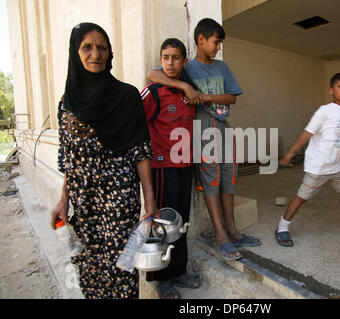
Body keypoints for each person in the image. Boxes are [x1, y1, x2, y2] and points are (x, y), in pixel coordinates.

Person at [50, 23, 158, 299]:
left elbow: (141, 152)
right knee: (88, 266)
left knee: (121, 267)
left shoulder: (126, 96)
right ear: (76, 53)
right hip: (83, 201)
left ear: (110, 53)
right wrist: (63, 200)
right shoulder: (67, 103)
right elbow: (69, 155)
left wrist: (150, 201)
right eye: (87, 47)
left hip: (119, 197)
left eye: (102, 47)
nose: (95, 54)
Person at [147, 18, 261, 261]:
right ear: (201, 40)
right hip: (202, 127)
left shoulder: (221, 67)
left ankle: (232, 230)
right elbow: (152, 74)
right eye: (215, 42)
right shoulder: (187, 68)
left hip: (223, 125)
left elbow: (233, 98)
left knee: (229, 176)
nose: (218, 47)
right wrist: (184, 86)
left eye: (219, 43)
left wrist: (205, 97)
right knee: (212, 178)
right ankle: (220, 236)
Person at [275, 72, 340, 247]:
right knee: (302, 196)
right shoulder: (325, 110)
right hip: (319, 165)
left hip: (337, 166)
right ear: (332, 90)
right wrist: (290, 153)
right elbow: (307, 133)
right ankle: (281, 228)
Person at [141, 38, 201, 299]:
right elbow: (135, 121)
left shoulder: (190, 93)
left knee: (181, 223)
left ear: (184, 61)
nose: (170, 62)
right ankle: (160, 278)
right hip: (162, 167)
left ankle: (178, 270)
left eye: (175, 57)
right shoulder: (154, 91)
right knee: (163, 222)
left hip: (185, 165)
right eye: (165, 57)